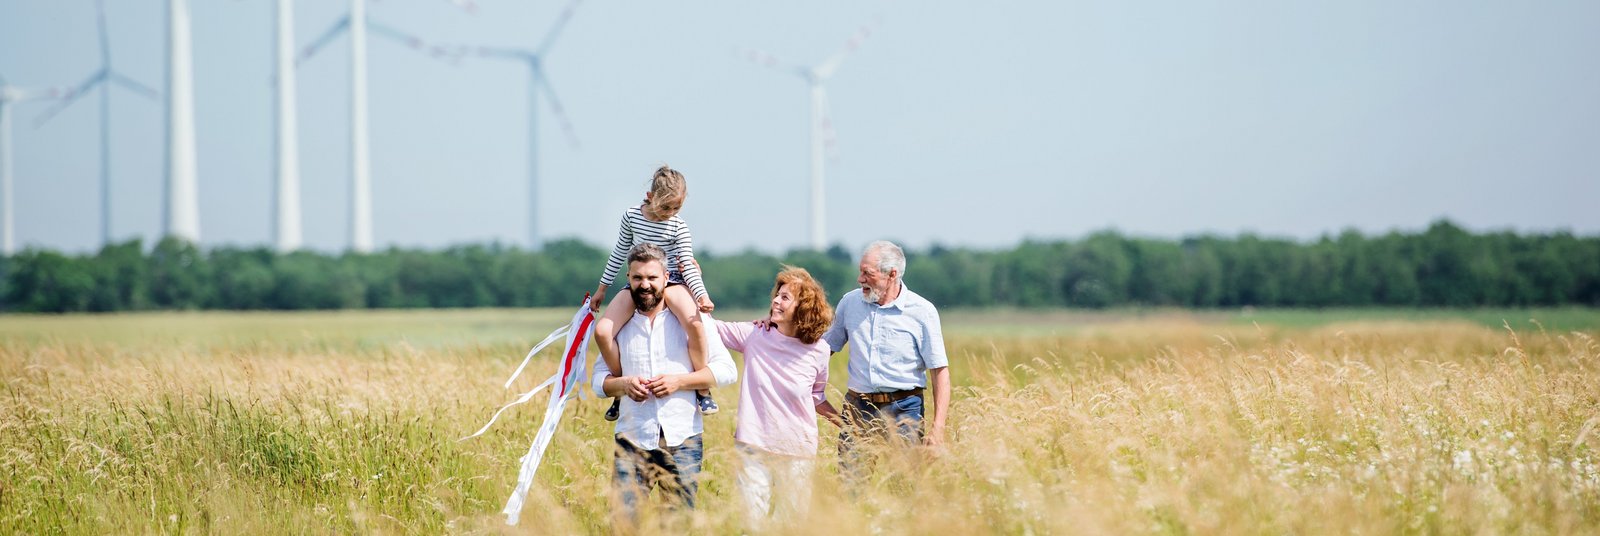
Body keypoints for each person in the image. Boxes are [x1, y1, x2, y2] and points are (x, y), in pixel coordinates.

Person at [592, 243, 737, 528]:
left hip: (683, 439)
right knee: (623, 526)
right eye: (637, 278)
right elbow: (599, 380)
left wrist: (679, 382)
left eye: (651, 278)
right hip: (632, 439)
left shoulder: (693, 319)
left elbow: (726, 370)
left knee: (677, 526)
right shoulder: (619, 324)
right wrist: (623, 384)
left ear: (666, 278)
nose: (644, 285)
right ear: (628, 279)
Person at [713, 266, 841, 527]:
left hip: (797, 451)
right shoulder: (754, 335)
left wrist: (846, 423)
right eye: (777, 295)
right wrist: (688, 282)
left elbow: (816, 395)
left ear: (803, 308)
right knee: (753, 524)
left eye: (785, 298)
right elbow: (706, 327)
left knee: (791, 524)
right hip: (753, 446)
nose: (775, 300)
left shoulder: (819, 351)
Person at [592, 165, 719, 423]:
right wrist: (602, 289)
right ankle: (619, 389)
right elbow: (619, 253)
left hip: (672, 280)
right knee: (603, 331)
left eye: (676, 208)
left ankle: (702, 390)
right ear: (650, 197)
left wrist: (702, 295)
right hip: (640, 282)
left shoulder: (679, 227)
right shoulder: (631, 216)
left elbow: (687, 263)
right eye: (665, 208)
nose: (669, 214)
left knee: (694, 324)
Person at [823, 240, 951, 479]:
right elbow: (824, 349)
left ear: (892, 274)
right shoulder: (849, 303)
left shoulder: (922, 311)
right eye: (860, 271)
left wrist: (937, 429)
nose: (860, 279)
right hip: (858, 407)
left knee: (904, 485)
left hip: (905, 408)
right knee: (851, 484)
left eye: (867, 273)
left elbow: (939, 371)